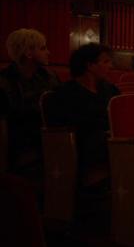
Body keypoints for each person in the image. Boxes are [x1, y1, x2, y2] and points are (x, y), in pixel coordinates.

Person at [45, 43, 120, 187]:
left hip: (111, 144)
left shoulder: (111, 90)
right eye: (105, 61)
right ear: (90, 65)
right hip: (83, 149)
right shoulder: (64, 94)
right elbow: (65, 133)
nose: (111, 65)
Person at [0, 29, 60, 177]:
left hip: (50, 139)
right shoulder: (4, 83)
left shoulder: (50, 77)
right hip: (22, 145)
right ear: (28, 53)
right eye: (43, 48)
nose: (49, 52)